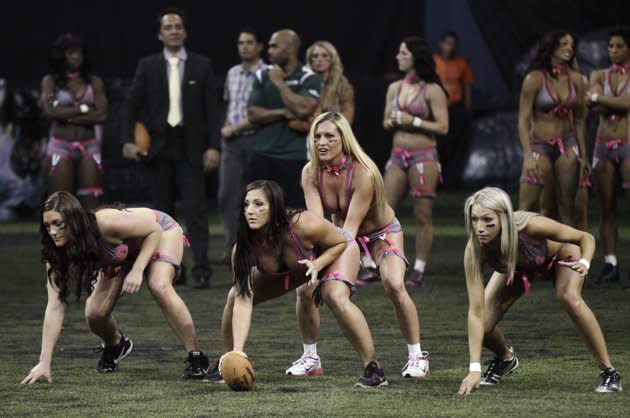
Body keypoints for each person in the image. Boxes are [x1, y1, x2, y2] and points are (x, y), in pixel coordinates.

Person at [289, 112, 429, 378]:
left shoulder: (363, 172)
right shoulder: (310, 172)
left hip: (379, 234)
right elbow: (319, 224)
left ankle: (417, 356)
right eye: (317, 136)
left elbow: (349, 232)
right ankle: (310, 358)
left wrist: (322, 263)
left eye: (330, 136)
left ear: (344, 139)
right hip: (338, 235)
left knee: (394, 285)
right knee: (305, 289)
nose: (322, 142)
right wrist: (314, 265)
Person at [20, 191, 210, 384]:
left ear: (74, 221)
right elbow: (55, 305)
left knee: (158, 285)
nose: (52, 231)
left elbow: (154, 231)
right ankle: (117, 344)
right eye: (47, 226)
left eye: (58, 224)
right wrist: (44, 362)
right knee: (94, 314)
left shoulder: (105, 222)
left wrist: (137, 269)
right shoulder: (55, 254)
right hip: (120, 255)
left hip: (158, 232)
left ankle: (196, 356)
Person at [213, 180, 388, 387]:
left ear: (275, 207)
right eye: (246, 205)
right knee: (234, 296)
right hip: (296, 268)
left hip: (334, 252)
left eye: (259, 204)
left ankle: (373, 369)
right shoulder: (242, 248)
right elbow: (244, 298)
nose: (250, 211)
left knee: (333, 295)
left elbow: (341, 241)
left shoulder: (303, 223)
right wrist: (239, 352)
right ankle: (225, 361)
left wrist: (318, 264)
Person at [457, 187, 621, 395]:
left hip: (560, 254)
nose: (480, 228)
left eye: (488, 220)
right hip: (518, 268)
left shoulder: (530, 226)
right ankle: (505, 359)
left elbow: (585, 237)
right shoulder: (474, 249)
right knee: (484, 326)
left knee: (569, 297)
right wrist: (474, 369)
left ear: (504, 217)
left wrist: (585, 262)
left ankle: (609, 372)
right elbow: (475, 311)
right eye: (474, 219)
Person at [122, 8, 219, 288]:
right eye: (168, 27)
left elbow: (212, 110)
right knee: (162, 215)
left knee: (196, 211)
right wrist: (128, 141)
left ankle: (202, 269)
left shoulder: (202, 65)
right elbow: (130, 104)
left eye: (178, 26)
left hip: (191, 148)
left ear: (185, 32)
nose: (174, 31)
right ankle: (171, 269)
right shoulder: (147, 66)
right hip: (158, 148)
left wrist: (214, 147)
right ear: (160, 34)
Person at [382, 36, 449, 286]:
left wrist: (415, 122)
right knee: (385, 212)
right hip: (398, 155)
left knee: (422, 215)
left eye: (403, 53)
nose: (398, 57)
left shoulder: (432, 90)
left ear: (415, 57)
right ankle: (384, 262)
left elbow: (443, 127)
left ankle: (419, 269)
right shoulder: (395, 88)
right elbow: (385, 120)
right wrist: (392, 122)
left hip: (424, 157)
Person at [517, 30, 589, 227]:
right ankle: (517, 255)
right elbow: (523, 120)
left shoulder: (577, 80)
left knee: (567, 208)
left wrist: (584, 155)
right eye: (564, 44)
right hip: (540, 145)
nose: (569, 48)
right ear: (552, 47)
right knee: (532, 206)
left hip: (567, 145)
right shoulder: (534, 79)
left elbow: (581, 120)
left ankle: (567, 256)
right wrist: (528, 156)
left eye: (572, 45)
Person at [245, 29, 322, 208]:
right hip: (263, 153)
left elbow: (303, 109)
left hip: (293, 156)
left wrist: (279, 83)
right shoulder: (262, 76)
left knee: (294, 214)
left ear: (291, 48)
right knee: (255, 211)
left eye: (274, 46)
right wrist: (282, 112)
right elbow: (252, 114)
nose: (269, 50)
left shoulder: (308, 77)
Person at [41, 33, 107, 210]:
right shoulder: (50, 81)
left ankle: (90, 237)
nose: (76, 56)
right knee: (61, 203)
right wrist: (84, 109)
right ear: (61, 55)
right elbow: (50, 112)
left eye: (79, 52)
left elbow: (101, 115)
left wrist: (66, 114)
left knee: (91, 200)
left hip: (89, 146)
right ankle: (60, 238)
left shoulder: (94, 81)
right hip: (60, 147)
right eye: (70, 53)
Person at [217, 27, 265, 265]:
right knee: (227, 194)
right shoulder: (232, 72)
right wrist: (226, 129)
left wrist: (232, 128)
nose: (244, 46)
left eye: (249, 42)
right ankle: (232, 246)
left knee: (256, 195)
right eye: (241, 42)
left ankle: (258, 247)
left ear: (259, 46)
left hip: (257, 138)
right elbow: (230, 105)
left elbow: (262, 113)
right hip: (232, 141)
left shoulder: (267, 73)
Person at [586, 27, 630, 285]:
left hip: (627, 143)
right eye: (610, 46)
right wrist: (599, 100)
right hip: (603, 145)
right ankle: (611, 263)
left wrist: (599, 98)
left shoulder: (601, 82)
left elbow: (626, 104)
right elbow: (589, 104)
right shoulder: (598, 74)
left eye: (619, 46)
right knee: (607, 207)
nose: (613, 50)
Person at [433, 31, 474, 189]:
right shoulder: (434, 61)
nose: (449, 47)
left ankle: (452, 180)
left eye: (452, 44)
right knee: (439, 145)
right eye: (446, 43)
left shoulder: (461, 63)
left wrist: (467, 108)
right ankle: (437, 180)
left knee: (455, 145)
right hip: (438, 109)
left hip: (456, 109)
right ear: (441, 44)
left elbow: (467, 86)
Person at [288, 40, 355, 132]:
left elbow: (348, 115)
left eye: (325, 56)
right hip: (305, 132)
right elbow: (293, 117)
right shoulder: (302, 81)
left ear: (332, 59)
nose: (319, 59)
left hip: (334, 132)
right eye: (315, 56)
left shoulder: (342, 83)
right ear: (310, 60)